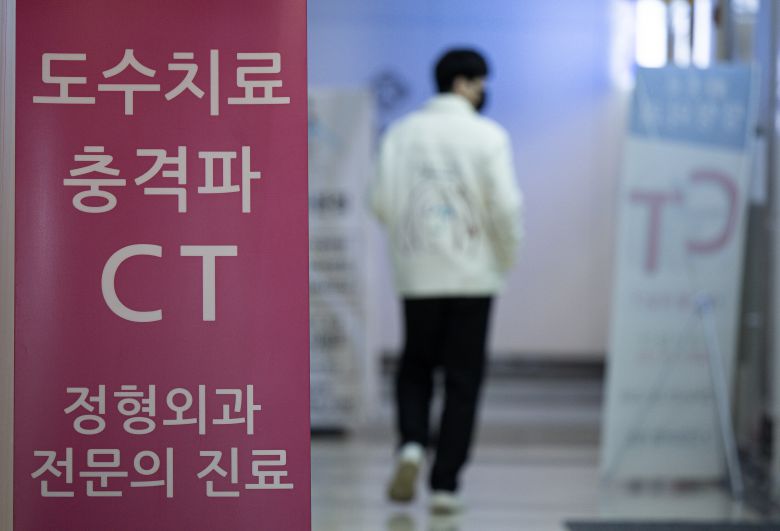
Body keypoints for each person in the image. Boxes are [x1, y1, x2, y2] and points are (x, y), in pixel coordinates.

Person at [369, 48, 523, 514]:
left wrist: (410, 244)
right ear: (462, 83)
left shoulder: (401, 133)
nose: (484, 92)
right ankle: (445, 484)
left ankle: (412, 444)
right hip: (474, 275)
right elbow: (506, 207)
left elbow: (379, 200)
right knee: (463, 379)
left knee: (415, 366)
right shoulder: (489, 136)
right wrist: (505, 258)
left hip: (418, 274)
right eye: (480, 83)